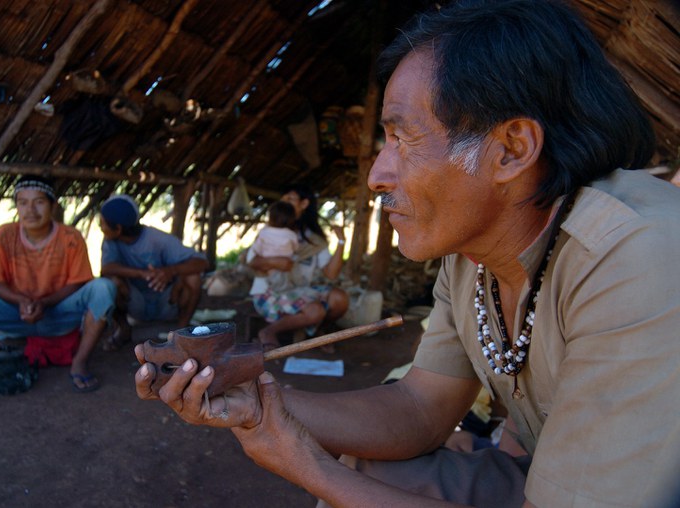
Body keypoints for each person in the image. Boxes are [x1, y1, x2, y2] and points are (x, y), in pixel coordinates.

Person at [134, 1, 680, 506]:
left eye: (403, 138)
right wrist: (255, 402)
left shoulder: (638, 256)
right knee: (372, 469)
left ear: (511, 149)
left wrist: (311, 468)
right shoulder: (473, 257)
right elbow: (420, 410)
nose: (376, 175)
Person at [0, 175, 116, 393]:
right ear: (17, 206)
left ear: (53, 206)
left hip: (59, 315)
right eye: (23, 203)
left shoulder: (71, 237)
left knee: (104, 288)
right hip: (14, 315)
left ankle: (80, 363)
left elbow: (79, 283)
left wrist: (44, 303)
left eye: (39, 202)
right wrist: (21, 301)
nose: (30, 210)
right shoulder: (5, 235)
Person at [98, 194, 208, 350]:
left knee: (193, 277)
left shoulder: (159, 239)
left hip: (167, 302)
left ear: (118, 229)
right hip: (135, 303)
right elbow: (106, 268)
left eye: (102, 223)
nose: (100, 227)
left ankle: (181, 333)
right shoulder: (110, 241)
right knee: (108, 282)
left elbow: (203, 262)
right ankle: (124, 329)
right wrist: (143, 274)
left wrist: (170, 271)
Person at [246, 184, 349, 350]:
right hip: (269, 293)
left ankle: (316, 331)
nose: (285, 202)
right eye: (284, 198)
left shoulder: (314, 240)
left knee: (339, 299)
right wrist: (275, 262)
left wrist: (341, 242)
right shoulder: (270, 232)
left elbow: (331, 274)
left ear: (304, 204)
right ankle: (268, 332)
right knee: (315, 310)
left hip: (300, 292)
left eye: (290, 199)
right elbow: (251, 262)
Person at [249, 201, 299, 293]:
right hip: (284, 270)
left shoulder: (263, 232)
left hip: (265, 268)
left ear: (270, 218)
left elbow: (256, 249)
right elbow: (295, 248)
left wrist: (262, 256)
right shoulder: (292, 235)